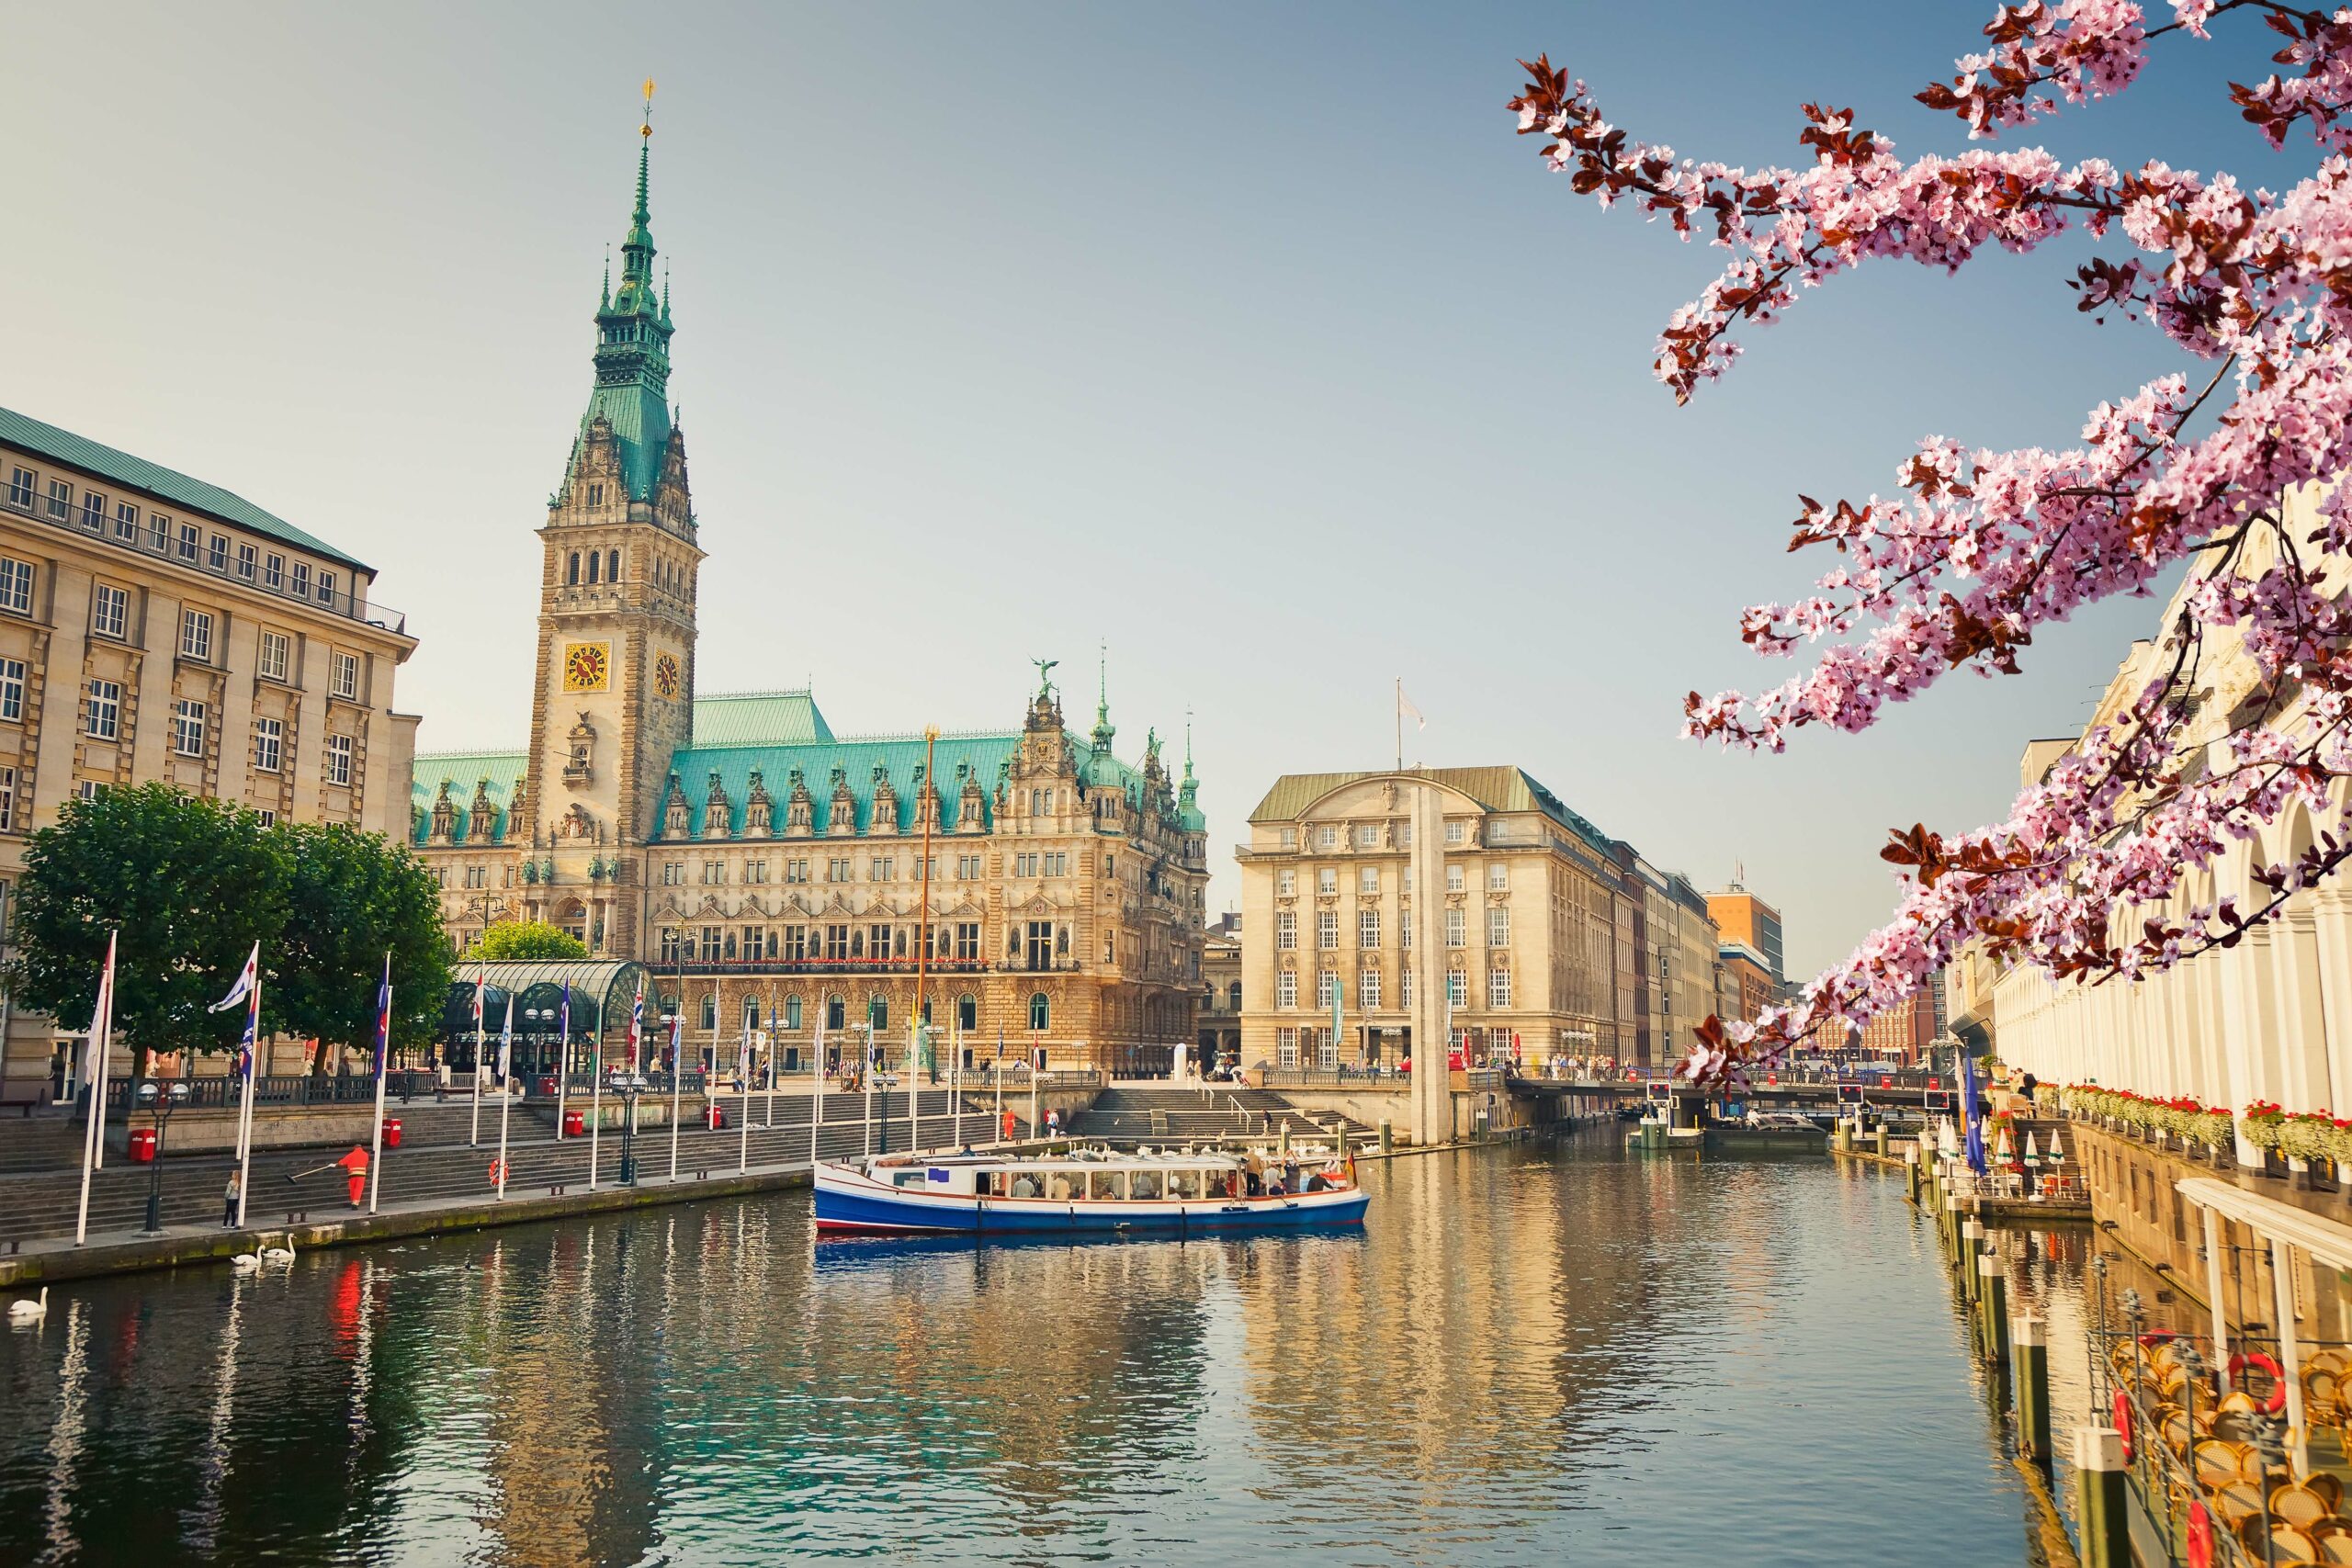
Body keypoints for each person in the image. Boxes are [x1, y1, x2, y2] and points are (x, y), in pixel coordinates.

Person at [334, 1144, 370, 1209]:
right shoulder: (366, 1155)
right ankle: (355, 1203)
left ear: (354, 1148)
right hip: (361, 1174)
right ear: (361, 1148)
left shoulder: (351, 1155)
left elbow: (343, 1162)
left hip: (352, 1174)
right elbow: (366, 1162)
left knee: (352, 1188)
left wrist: (338, 1163)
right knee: (359, 1189)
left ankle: (352, 1201)